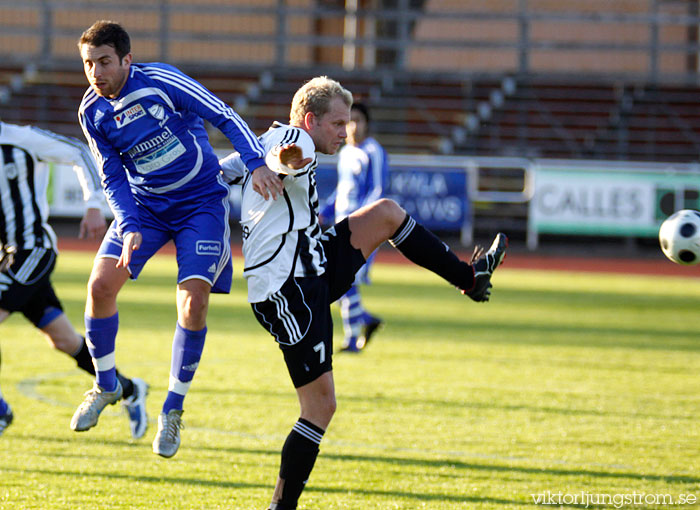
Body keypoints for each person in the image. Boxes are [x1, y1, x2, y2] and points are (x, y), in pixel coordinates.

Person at [220, 76, 507, 510]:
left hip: (310, 266)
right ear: (311, 119)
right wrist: (280, 161)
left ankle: (469, 278)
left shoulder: (267, 139)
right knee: (320, 406)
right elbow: (285, 156)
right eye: (338, 123)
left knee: (386, 214)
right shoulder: (294, 140)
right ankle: (281, 506)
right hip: (288, 290)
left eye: (348, 122)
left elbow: (230, 168)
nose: (345, 131)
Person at [72, 20, 281, 458]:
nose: (96, 72)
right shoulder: (91, 112)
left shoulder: (161, 80)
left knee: (193, 301)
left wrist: (256, 162)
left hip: (200, 202)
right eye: (88, 63)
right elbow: (112, 177)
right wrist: (128, 225)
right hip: (146, 209)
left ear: (127, 59)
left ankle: (172, 409)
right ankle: (107, 385)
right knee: (99, 286)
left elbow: (221, 113)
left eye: (104, 62)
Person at [0, 119, 148, 439]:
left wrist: (93, 204)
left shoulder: (21, 139)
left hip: (32, 252)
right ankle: (130, 389)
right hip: (6, 259)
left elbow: (79, 152)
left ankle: (0, 412)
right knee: (64, 340)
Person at [321, 102, 388, 351]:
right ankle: (367, 322)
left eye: (358, 120)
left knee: (344, 282)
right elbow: (342, 190)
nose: (353, 126)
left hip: (362, 228)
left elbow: (378, 190)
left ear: (367, 124)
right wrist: (325, 212)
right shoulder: (346, 153)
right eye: (349, 121)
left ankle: (352, 339)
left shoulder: (373, 151)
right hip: (342, 227)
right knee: (338, 283)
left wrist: (363, 219)